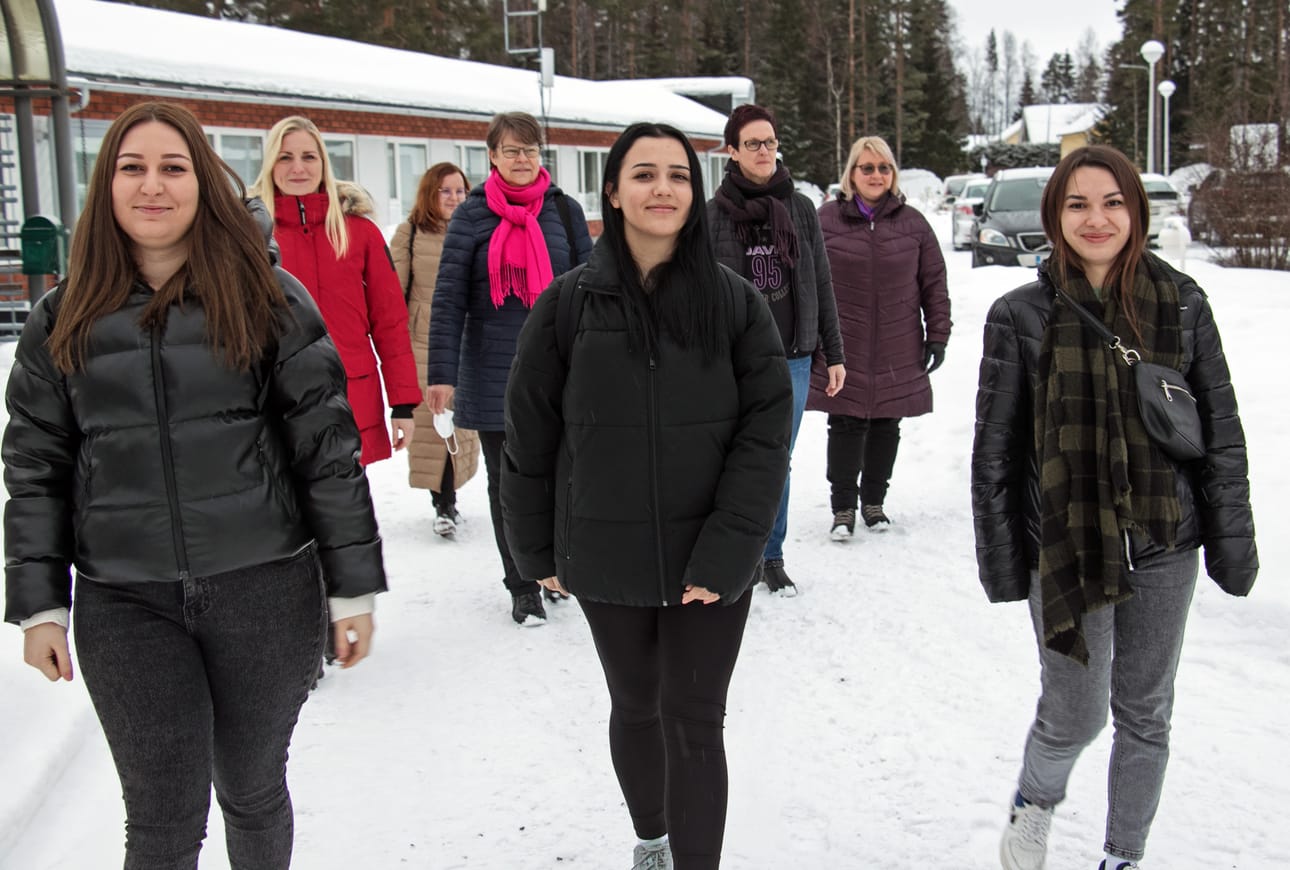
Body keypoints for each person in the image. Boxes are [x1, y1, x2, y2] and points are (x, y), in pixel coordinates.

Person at [3, 101, 386, 869]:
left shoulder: (269, 300)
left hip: (265, 592)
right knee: (160, 817)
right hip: (125, 601)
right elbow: (35, 466)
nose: (153, 186)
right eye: (132, 168)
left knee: (250, 787)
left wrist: (352, 589)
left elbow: (325, 452)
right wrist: (40, 603)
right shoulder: (62, 318)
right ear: (105, 187)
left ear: (204, 184)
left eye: (173, 168)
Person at [501, 121, 792, 870]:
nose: (662, 188)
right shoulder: (565, 308)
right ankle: (652, 839)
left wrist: (732, 551)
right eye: (644, 174)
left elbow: (766, 437)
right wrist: (536, 549)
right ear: (613, 191)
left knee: (695, 719)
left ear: (694, 195)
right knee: (635, 704)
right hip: (606, 552)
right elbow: (528, 439)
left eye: (677, 175)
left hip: (710, 557)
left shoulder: (734, 304)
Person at [972, 144, 1258, 870]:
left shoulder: (1184, 303)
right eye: (1077, 204)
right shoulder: (1018, 315)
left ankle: (1122, 854)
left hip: (1167, 538)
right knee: (1075, 712)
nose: (1096, 219)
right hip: (1066, 544)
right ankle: (1035, 802)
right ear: (1054, 216)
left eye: (1112, 202)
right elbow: (995, 455)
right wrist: (1006, 561)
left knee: (1145, 712)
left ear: (1136, 210)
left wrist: (1230, 540)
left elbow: (1221, 434)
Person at [427, 111, 592, 626]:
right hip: (494, 368)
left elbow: (593, 286)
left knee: (566, 476)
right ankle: (522, 583)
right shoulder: (472, 217)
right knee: (509, 484)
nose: (522, 159)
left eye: (530, 150)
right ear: (492, 156)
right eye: (511, 150)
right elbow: (449, 298)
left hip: (560, 369)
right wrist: (440, 373)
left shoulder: (563, 211)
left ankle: (557, 569)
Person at [707, 103, 845, 596]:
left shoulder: (801, 207)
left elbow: (821, 282)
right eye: (752, 144)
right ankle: (733, 551)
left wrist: (835, 351)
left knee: (775, 460)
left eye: (770, 142)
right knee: (731, 457)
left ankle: (771, 554)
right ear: (732, 151)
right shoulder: (713, 215)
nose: (764, 151)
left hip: (794, 358)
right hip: (734, 360)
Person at [249, 115, 421, 466]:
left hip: (350, 393)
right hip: (275, 397)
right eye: (285, 157)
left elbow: (389, 321)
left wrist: (402, 402)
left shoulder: (360, 232)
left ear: (324, 163)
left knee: (346, 507)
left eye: (308, 157)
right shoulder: (248, 234)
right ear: (270, 164)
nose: (298, 167)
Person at [806, 135, 950, 538]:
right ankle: (842, 510)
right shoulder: (826, 220)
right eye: (866, 167)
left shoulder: (914, 224)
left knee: (887, 423)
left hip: (897, 343)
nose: (875, 175)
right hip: (841, 345)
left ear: (893, 174)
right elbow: (808, 282)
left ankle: (873, 503)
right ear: (851, 173)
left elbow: (934, 283)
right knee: (846, 424)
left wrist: (937, 334)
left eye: (883, 168)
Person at [391, 163, 482, 537]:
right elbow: (392, 293)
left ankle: (451, 497)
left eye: (460, 190)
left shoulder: (477, 230)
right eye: (445, 191)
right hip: (423, 344)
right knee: (432, 426)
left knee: (462, 428)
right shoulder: (410, 233)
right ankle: (442, 503)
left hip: (467, 341)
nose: (455, 198)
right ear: (430, 193)